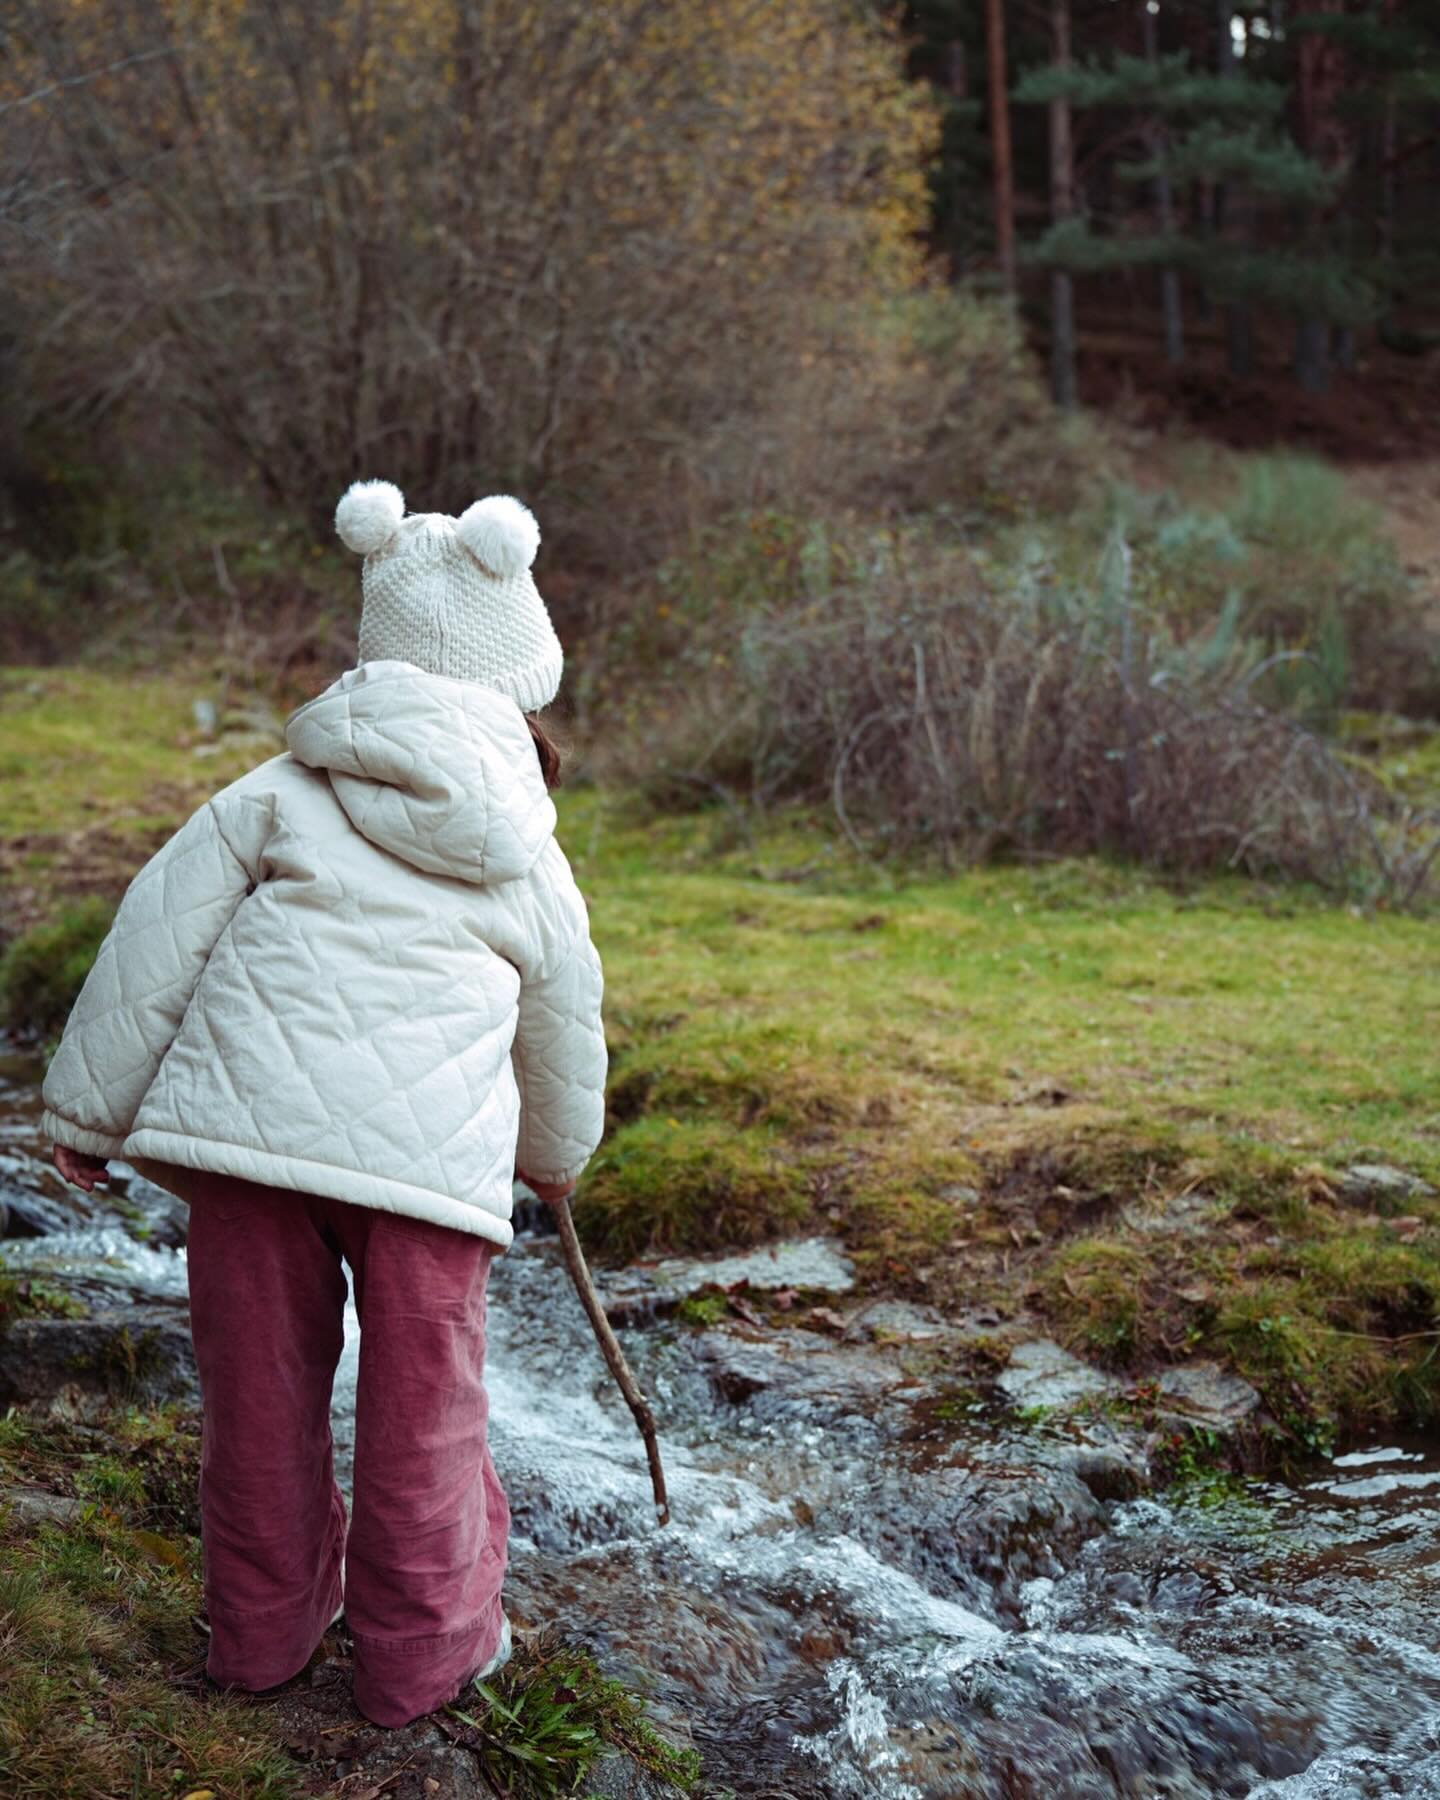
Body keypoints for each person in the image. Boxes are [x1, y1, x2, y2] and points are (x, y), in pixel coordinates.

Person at [42, 478, 607, 1728]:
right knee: (425, 1415)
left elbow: (156, 939)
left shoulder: (278, 787)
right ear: (520, 670)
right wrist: (556, 1161)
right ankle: (426, 1655)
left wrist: (87, 1113)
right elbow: (566, 1018)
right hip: (428, 1175)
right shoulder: (528, 844)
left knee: (257, 1397)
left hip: (242, 1142)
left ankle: (261, 1636)